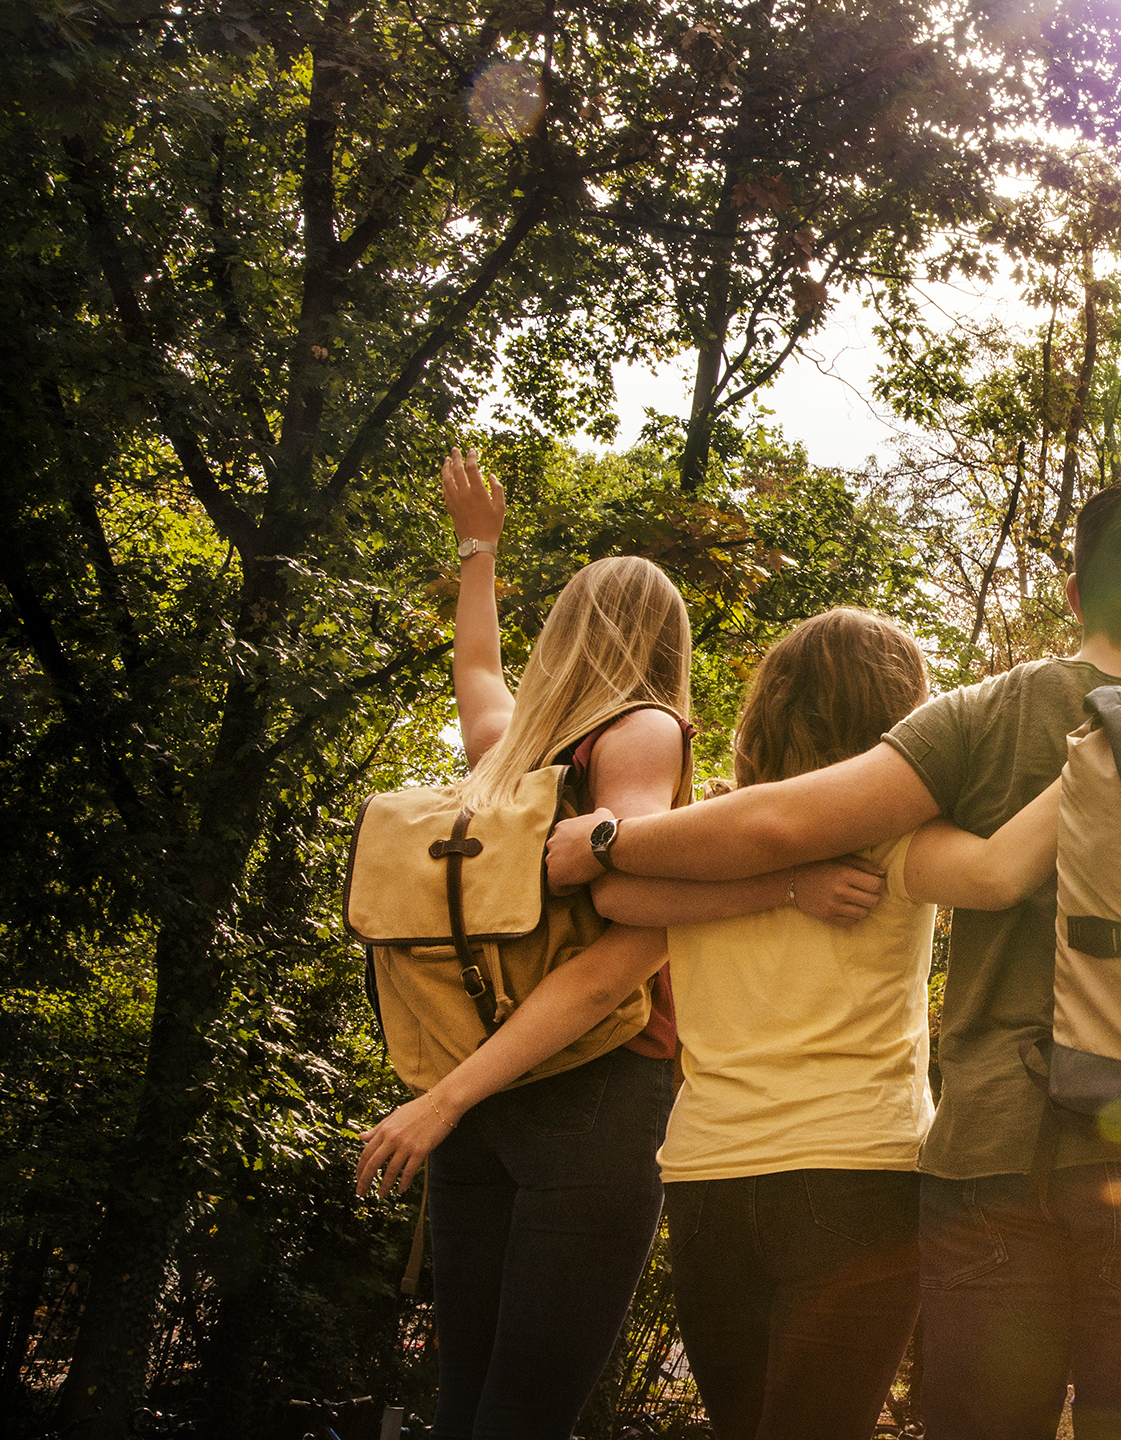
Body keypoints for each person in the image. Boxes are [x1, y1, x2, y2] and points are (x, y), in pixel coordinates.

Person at [544, 477, 1121, 1440]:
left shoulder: (986, 715)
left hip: (996, 1155)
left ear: (1072, 593)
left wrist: (608, 842)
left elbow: (783, 818)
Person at [589, 606, 1121, 1440]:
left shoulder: (700, 839)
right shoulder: (896, 840)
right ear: (902, 720)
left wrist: (634, 848)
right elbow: (1001, 874)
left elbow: (609, 889)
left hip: (708, 1175)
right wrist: (1102, 747)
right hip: (857, 1168)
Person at [355, 452, 871, 1440]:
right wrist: (789, 883)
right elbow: (627, 914)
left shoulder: (508, 759)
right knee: (524, 1415)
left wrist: (479, 552)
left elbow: (474, 671)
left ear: (564, 635)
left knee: (464, 1401)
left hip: (473, 1090)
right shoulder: (638, 731)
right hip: (586, 1098)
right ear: (663, 642)